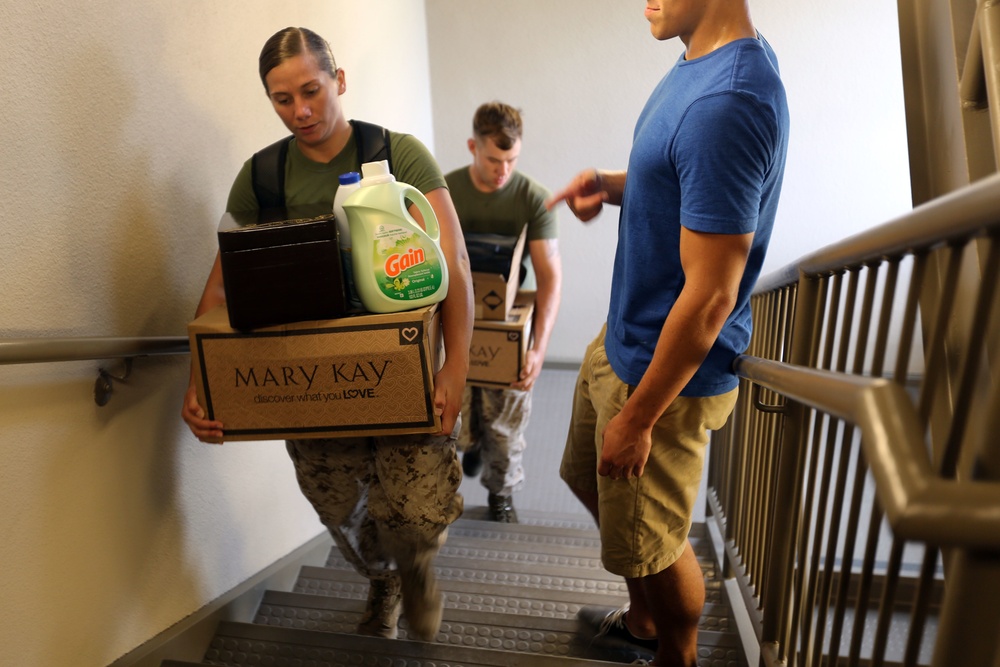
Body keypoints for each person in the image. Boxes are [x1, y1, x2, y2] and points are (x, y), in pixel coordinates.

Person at [180, 27, 474, 643]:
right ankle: (383, 577)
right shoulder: (260, 180)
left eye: (311, 91)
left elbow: (455, 264)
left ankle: (414, 566)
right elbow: (220, 290)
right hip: (314, 385)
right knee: (339, 507)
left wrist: (455, 371)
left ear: (338, 81)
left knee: (416, 511)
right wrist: (200, 385)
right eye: (282, 100)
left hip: (405, 372)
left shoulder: (400, 156)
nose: (301, 111)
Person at [545, 2, 789, 666]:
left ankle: (674, 652)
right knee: (586, 479)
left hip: (662, 380)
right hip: (624, 340)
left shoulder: (728, 103)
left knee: (654, 539)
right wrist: (612, 184)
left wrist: (640, 414)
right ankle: (645, 617)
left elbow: (710, 295)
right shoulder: (696, 65)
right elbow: (680, 180)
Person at [445, 102, 562, 523]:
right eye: (494, 160)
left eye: (511, 160)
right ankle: (468, 452)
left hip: (504, 325)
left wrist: (538, 349)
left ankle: (501, 497)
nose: (503, 171)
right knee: (452, 419)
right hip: (454, 320)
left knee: (506, 426)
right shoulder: (444, 191)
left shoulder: (532, 198)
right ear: (472, 146)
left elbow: (549, 276)